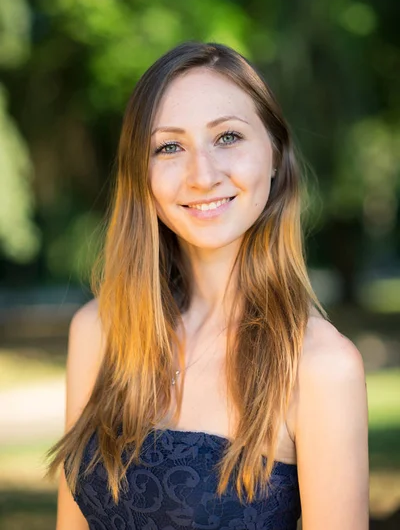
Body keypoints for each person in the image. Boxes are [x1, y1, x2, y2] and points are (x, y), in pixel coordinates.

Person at [46, 41, 369, 530]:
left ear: (276, 153)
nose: (202, 175)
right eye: (170, 147)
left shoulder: (320, 367)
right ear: (143, 176)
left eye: (227, 137)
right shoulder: (99, 330)